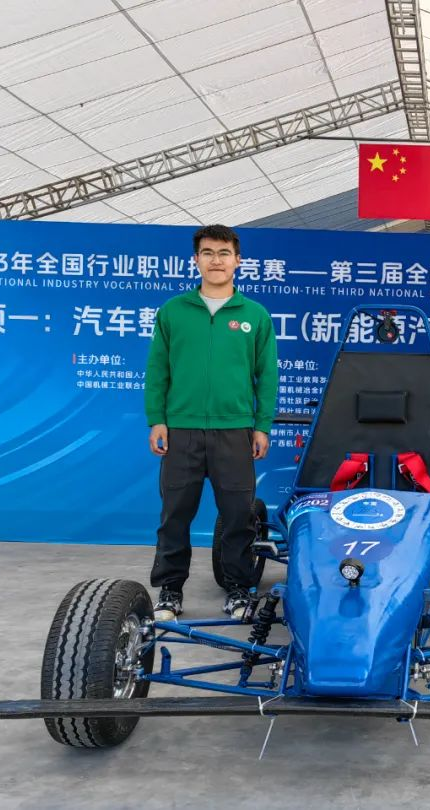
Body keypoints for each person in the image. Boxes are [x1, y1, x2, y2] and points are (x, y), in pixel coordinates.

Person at [144, 224, 278, 622]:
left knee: (238, 516)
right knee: (174, 515)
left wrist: (261, 425)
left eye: (223, 253)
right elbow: (157, 371)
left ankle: (238, 589)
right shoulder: (173, 311)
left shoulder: (255, 315)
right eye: (207, 253)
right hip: (181, 430)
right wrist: (157, 420)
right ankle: (170, 590)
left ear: (238, 261)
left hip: (235, 431)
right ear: (196, 260)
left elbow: (267, 376)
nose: (215, 260)